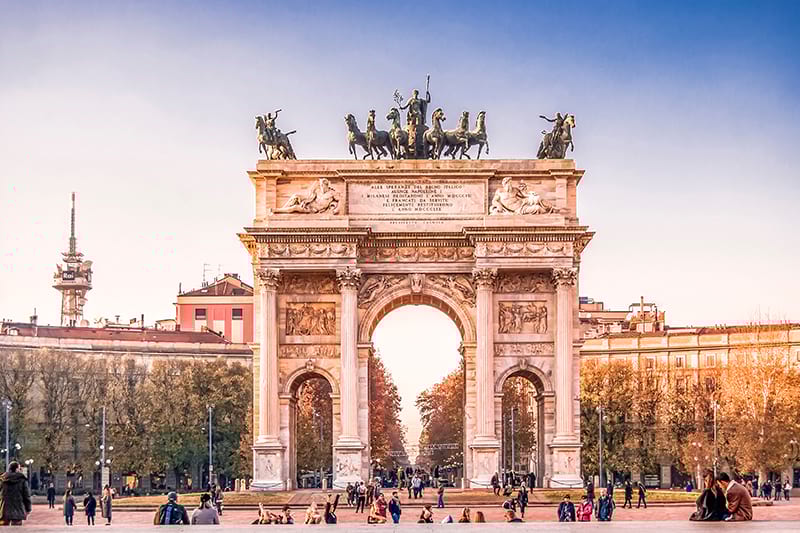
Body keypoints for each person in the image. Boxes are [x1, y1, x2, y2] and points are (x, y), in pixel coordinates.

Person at [0, 461, 32, 527]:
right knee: (16, 529)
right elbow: (26, 496)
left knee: (3, 529)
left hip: (4, 509)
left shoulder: (2, 479)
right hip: (18, 510)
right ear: (17, 469)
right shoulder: (22, 480)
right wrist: (28, 508)